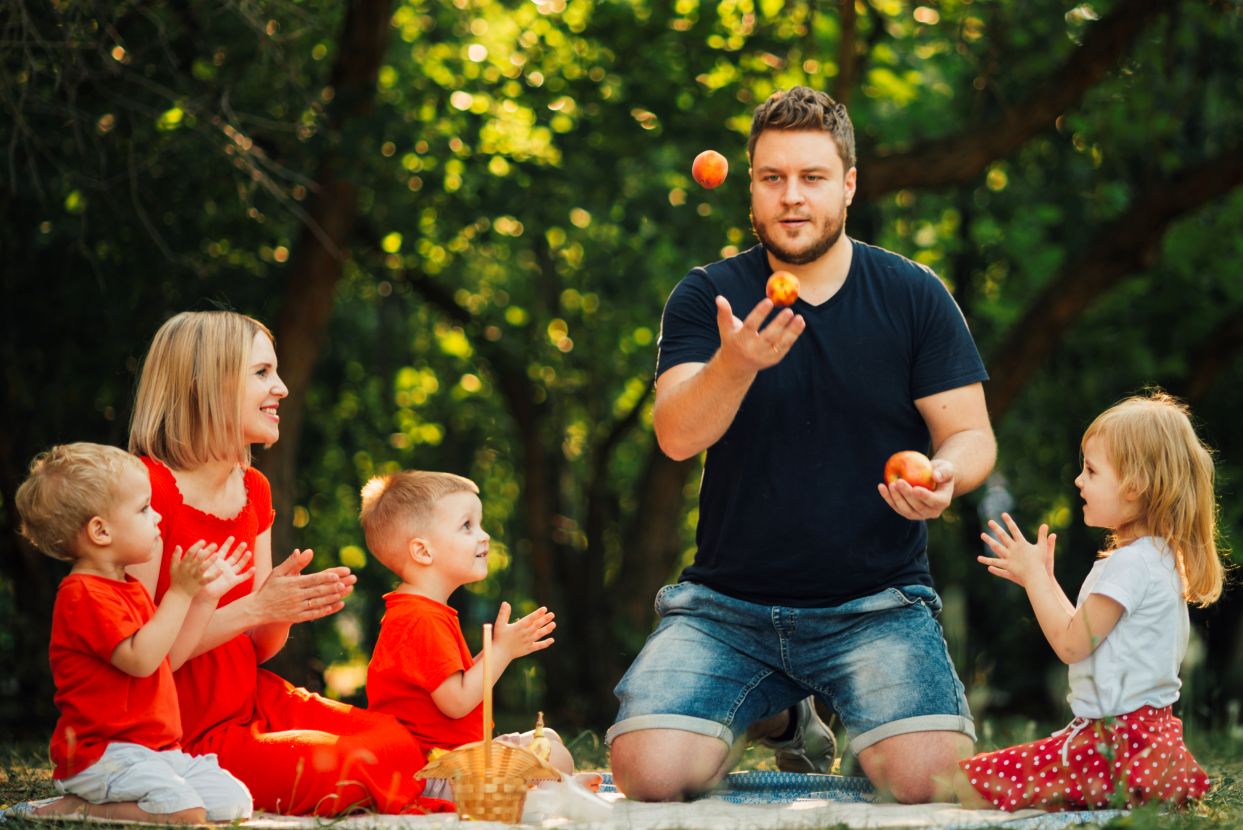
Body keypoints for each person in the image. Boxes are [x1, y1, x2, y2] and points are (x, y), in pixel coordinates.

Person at [608, 85, 996, 803]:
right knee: (647, 774)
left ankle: (832, 712)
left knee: (927, 782)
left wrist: (945, 474)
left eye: (812, 177)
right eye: (772, 178)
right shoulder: (707, 297)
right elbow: (675, 436)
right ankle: (783, 718)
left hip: (876, 604)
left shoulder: (912, 294)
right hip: (728, 610)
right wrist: (736, 365)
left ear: (847, 185)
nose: (792, 196)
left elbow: (970, 434)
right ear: (750, 189)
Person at [127, 311, 451, 816]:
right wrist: (255, 608)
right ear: (205, 383)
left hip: (250, 700)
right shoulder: (144, 490)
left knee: (393, 739)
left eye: (275, 372)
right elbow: (145, 663)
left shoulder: (252, 487)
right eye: (261, 373)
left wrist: (280, 607)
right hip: (178, 727)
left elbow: (258, 650)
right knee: (347, 766)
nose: (280, 387)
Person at [956, 392, 1223, 811]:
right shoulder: (1156, 559)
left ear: (1136, 486)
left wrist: (1033, 580)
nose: (1079, 480)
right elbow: (1086, 632)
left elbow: (1071, 645)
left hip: (1110, 751)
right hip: (1148, 748)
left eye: (1092, 470)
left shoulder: (1131, 565)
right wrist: (1043, 580)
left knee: (958, 782)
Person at [14, 443, 253, 823]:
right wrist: (179, 592)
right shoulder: (83, 595)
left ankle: (110, 805)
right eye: (144, 509)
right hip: (104, 753)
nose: (157, 517)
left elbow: (165, 658)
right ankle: (77, 808)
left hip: (155, 750)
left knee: (234, 801)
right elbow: (140, 661)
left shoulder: (129, 588)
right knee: (186, 813)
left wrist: (205, 599)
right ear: (101, 531)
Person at [359, 470, 576, 782]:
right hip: (435, 771)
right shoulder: (419, 618)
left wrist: (499, 648)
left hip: (452, 757)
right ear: (423, 551)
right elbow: (456, 702)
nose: (484, 535)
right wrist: (502, 652)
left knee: (550, 738)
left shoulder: (421, 610)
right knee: (556, 757)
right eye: (467, 526)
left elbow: (450, 683)